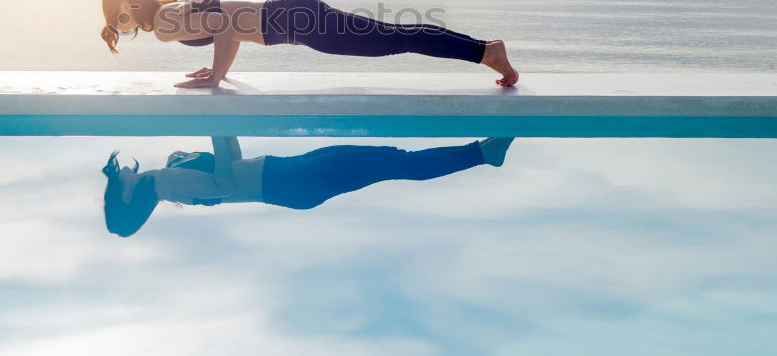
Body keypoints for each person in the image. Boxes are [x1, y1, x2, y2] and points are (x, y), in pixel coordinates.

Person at [99, 0, 518, 88]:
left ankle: (486, 51)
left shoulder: (166, 21)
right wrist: (217, 69)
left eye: (118, 12)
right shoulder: (170, 14)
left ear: (128, 3)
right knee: (395, 37)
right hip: (293, 16)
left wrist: (218, 76)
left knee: (395, 40)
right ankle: (486, 49)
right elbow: (225, 27)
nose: (123, 21)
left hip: (295, 21)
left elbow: (224, 27)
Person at [102, 136, 514, 237]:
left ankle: (480, 151)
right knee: (393, 163)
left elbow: (233, 162)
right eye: (112, 184)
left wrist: (220, 118)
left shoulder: (165, 175)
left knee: (389, 158)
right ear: (126, 196)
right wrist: (215, 126)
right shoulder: (166, 184)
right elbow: (225, 185)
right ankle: (483, 153)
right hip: (291, 181)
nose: (115, 173)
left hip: (289, 177)